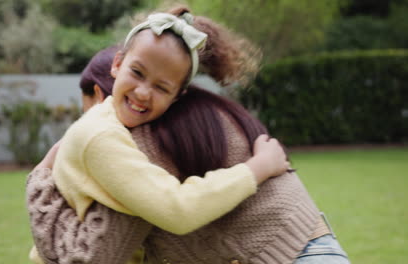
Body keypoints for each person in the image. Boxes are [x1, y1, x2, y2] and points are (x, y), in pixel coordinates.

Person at [27, 7, 350, 264]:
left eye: (160, 86)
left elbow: (93, 256)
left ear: (177, 94)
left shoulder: (128, 140)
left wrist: (40, 180)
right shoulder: (120, 129)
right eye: (137, 73)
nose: (142, 93)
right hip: (308, 242)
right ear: (117, 64)